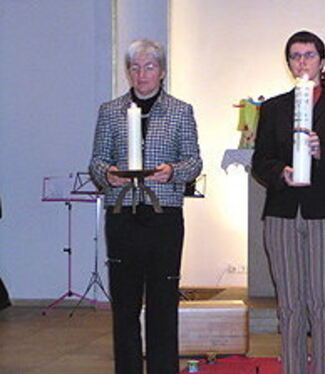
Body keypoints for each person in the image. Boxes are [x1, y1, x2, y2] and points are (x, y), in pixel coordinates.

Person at [251, 30, 325, 374]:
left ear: (322, 61)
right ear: (288, 63)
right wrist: (279, 172)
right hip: (283, 212)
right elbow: (260, 161)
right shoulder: (272, 108)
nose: (302, 62)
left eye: (309, 55)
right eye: (296, 56)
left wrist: (320, 152)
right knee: (289, 304)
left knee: (322, 302)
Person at [89, 38, 202, 374]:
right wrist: (108, 174)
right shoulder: (110, 111)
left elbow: (194, 162)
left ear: (162, 71)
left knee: (162, 302)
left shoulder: (181, 111)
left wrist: (172, 172)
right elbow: (96, 161)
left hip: (163, 216)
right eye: (135, 67)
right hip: (122, 215)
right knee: (124, 304)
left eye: (149, 66)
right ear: (128, 72)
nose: (142, 74)